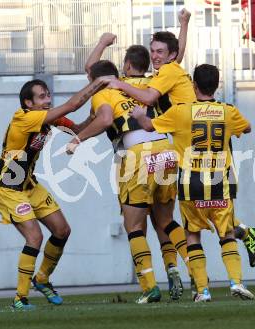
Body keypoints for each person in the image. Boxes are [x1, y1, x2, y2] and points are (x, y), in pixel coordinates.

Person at [67, 60, 190, 304]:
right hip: (167, 151)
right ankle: (194, 275)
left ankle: (149, 286)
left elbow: (104, 120)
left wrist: (76, 140)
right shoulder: (145, 85)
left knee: (134, 225)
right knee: (165, 221)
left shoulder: (103, 92)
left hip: (136, 157)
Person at [131, 64, 255, 301]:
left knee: (193, 235)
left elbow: (149, 126)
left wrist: (139, 115)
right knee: (227, 233)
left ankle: (202, 290)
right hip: (220, 182)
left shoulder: (180, 112)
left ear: (193, 85)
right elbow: (247, 128)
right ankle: (236, 282)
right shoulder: (228, 111)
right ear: (217, 85)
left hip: (191, 184)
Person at [0, 77, 109, 310]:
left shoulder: (48, 120)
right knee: (35, 238)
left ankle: (42, 278)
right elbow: (72, 104)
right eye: (42, 97)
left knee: (62, 230)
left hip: (29, 186)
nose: (48, 100)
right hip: (8, 190)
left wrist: (97, 113)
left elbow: (78, 128)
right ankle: (20, 298)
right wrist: (99, 82)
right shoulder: (24, 118)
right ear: (28, 102)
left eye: (48, 95)